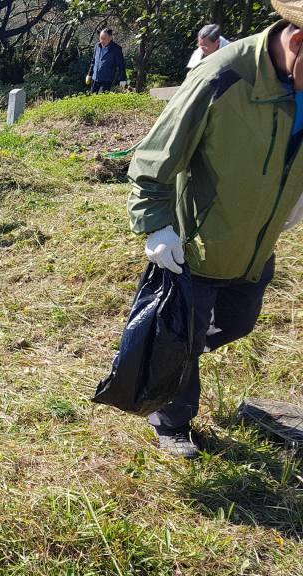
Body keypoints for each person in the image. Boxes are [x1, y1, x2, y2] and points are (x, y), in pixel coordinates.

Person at [126, 0, 303, 459]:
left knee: (238, 323)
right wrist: (156, 227)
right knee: (185, 336)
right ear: (299, 43)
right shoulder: (221, 77)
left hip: (256, 244)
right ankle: (172, 421)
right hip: (196, 245)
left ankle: (169, 353)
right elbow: (153, 158)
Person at [86, 28, 127, 93]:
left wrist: (123, 79)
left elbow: (121, 65)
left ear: (110, 38)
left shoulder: (116, 49)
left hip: (107, 80)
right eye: (101, 38)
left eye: (104, 38)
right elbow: (93, 62)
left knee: (103, 98)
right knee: (92, 97)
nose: (102, 41)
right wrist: (89, 74)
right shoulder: (97, 46)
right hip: (95, 78)